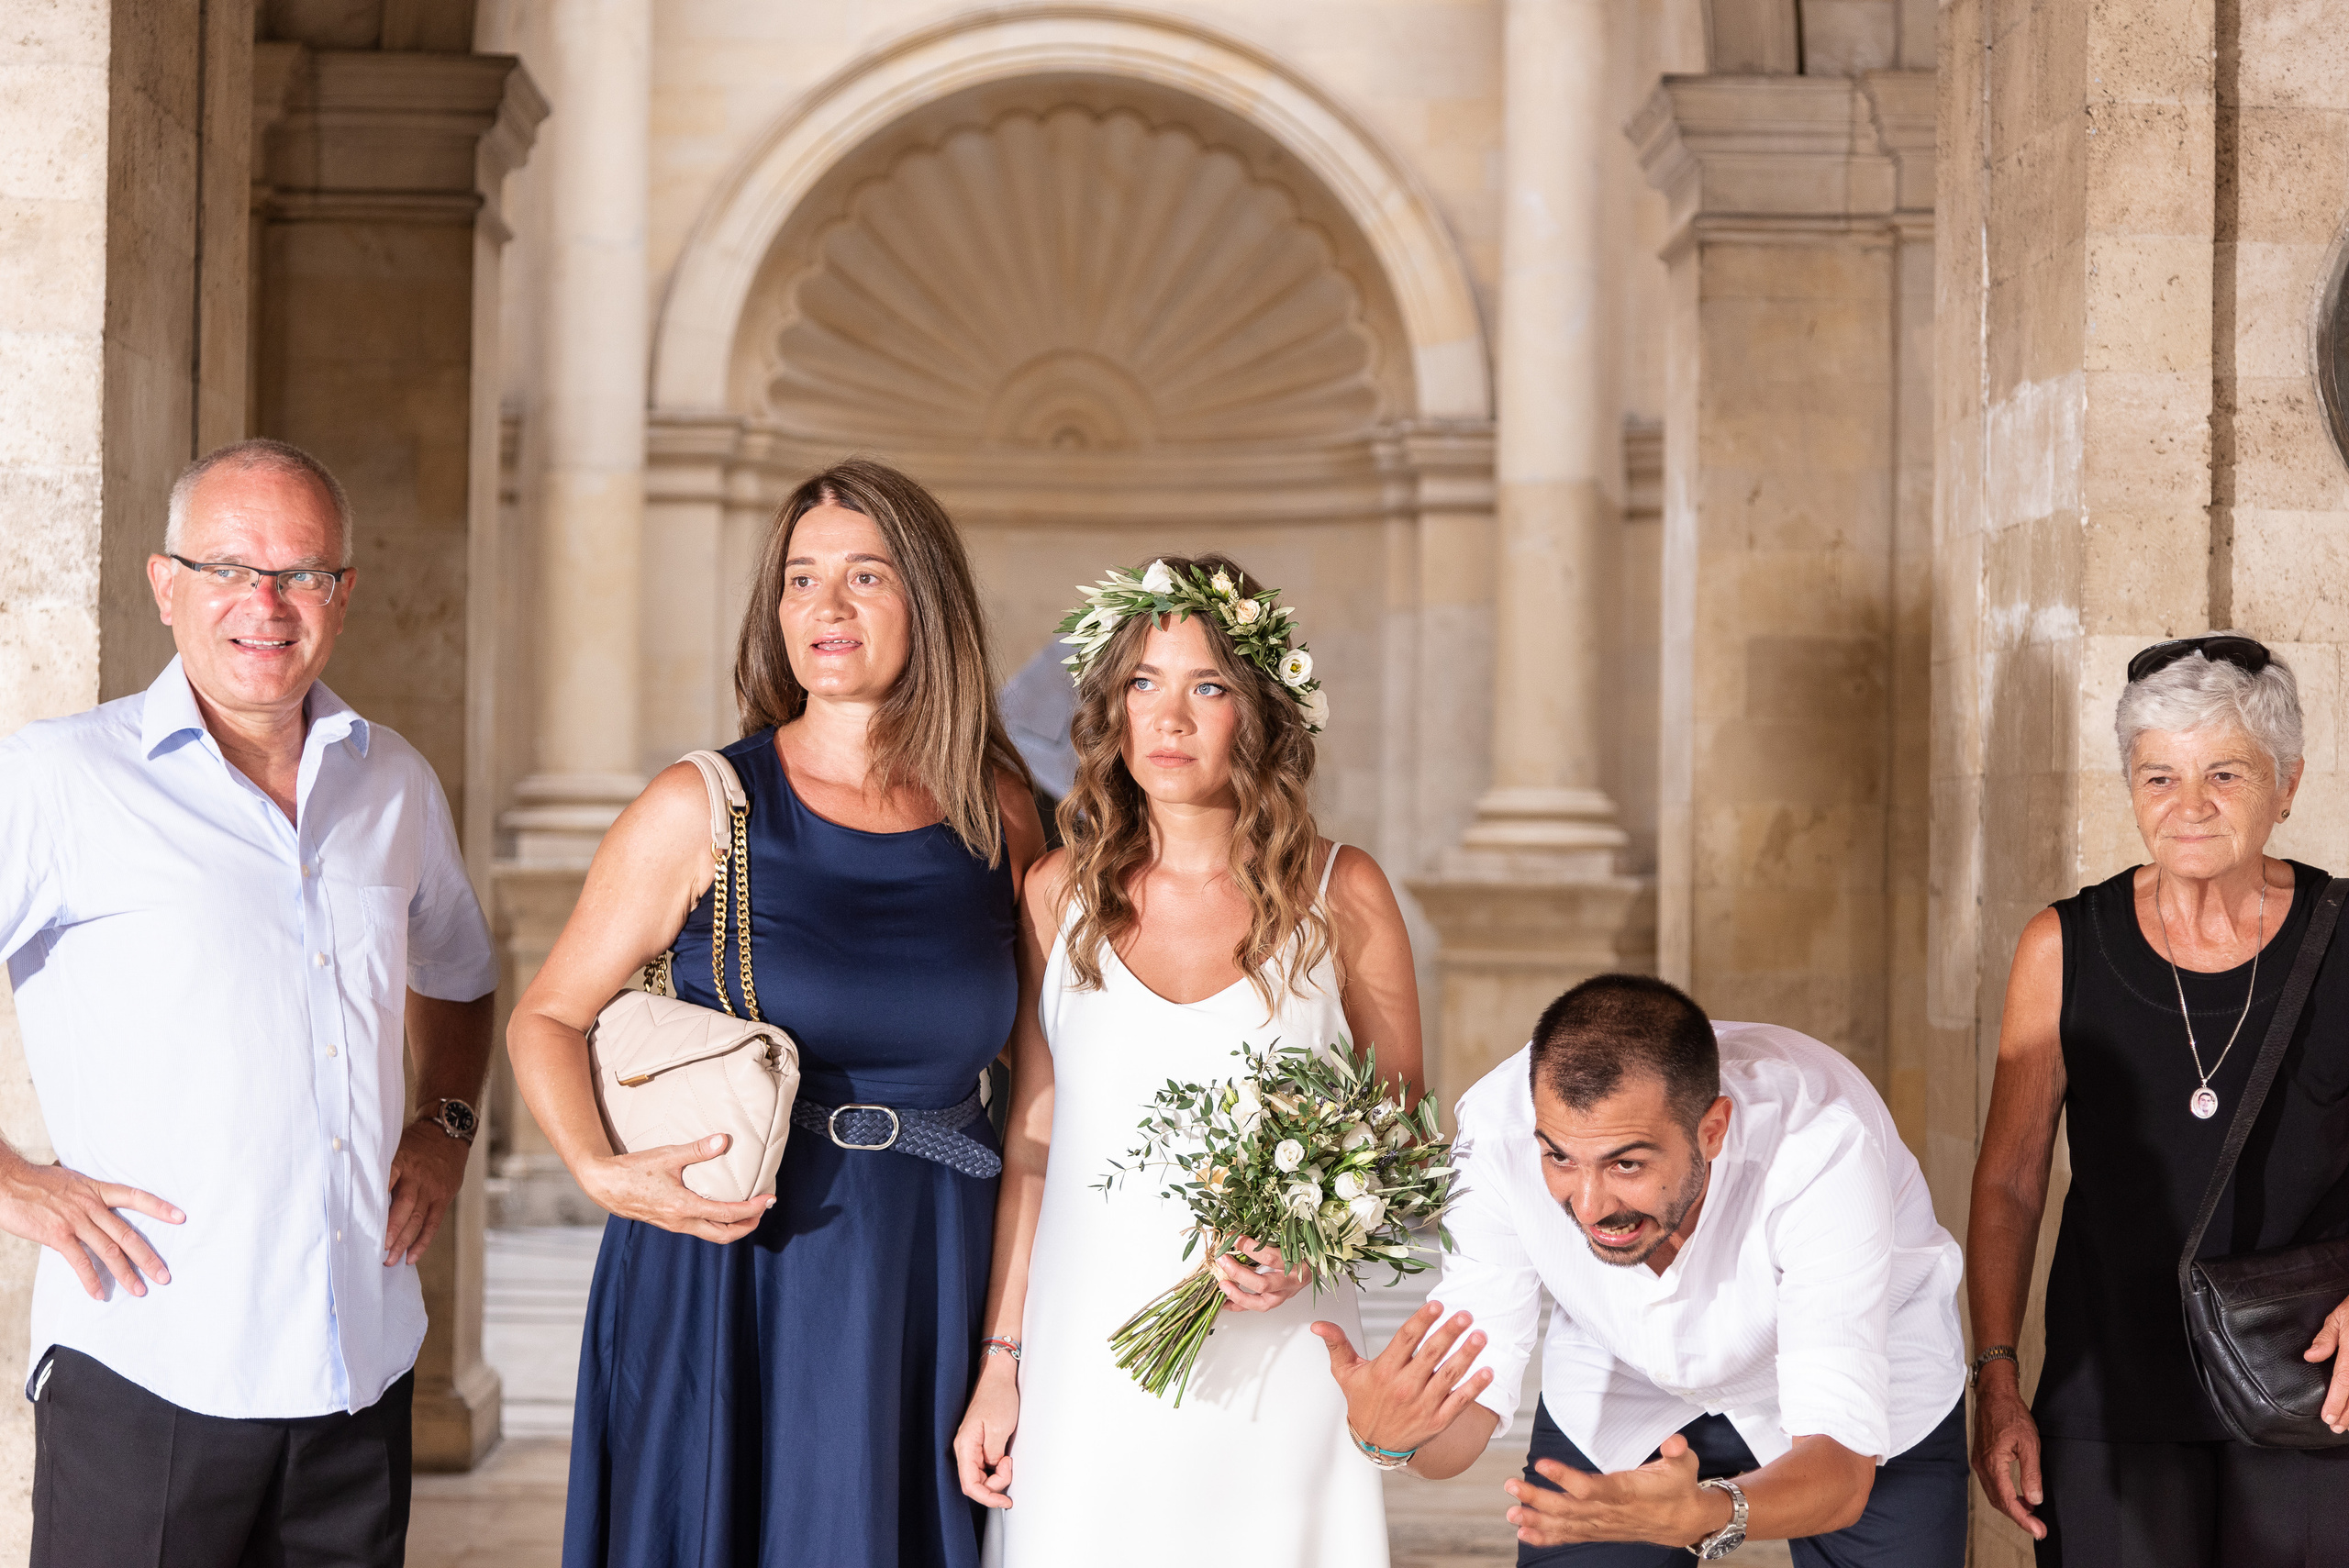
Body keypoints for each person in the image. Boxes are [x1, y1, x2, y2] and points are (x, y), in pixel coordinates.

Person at [509, 459, 1044, 1568]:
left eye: (863, 575)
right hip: (725, 1268)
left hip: (925, 1277)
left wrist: (1004, 1343)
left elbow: (1038, 1088)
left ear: (928, 603)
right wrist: (601, 1171)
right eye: (800, 580)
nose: (826, 608)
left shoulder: (1001, 812)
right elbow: (547, 1017)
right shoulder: (700, 804)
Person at [0, 439, 497, 1567]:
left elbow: (460, 972)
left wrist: (446, 1122)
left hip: (355, 1373)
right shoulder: (59, 778)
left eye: (301, 572)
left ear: (343, 594)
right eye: (227, 566)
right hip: (152, 1367)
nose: (264, 603)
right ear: (165, 583)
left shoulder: (395, 781)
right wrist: (15, 1180)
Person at [957, 555, 1423, 1566]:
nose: (1169, 718)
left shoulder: (1342, 893)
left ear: (1258, 712)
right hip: (1089, 1339)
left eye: (1206, 686)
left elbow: (1397, 1122)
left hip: (1282, 1350)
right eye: (1143, 684)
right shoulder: (1053, 895)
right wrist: (1002, 1361)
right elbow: (1032, 1138)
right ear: (1111, 711)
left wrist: (1307, 1240)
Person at [1319, 974, 1968, 1565]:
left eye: (1626, 1164)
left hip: (1867, 1387)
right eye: (1561, 1159)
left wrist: (1709, 1511)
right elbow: (1467, 1412)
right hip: (1629, 1378)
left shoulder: (1821, 1149)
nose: (1591, 1204)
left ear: (1712, 1130)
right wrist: (1394, 1439)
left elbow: (1843, 1472)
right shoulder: (1496, 1134)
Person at [1967, 634, 2349, 1568]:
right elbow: (2010, 1181)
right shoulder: (2061, 945)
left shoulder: (2345, 938)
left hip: (2310, 1386)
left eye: (2224, 772)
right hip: (2110, 1398)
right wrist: (1998, 1378)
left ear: (2287, 783)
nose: (2188, 807)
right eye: (2157, 777)